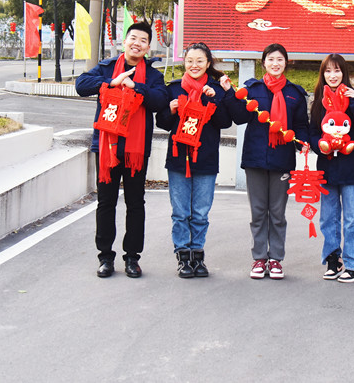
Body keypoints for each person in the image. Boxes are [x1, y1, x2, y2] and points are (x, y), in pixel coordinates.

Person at [75, 21, 169, 279]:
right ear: (124, 42)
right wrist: (112, 82)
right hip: (107, 146)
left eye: (143, 40)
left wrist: (135, 86)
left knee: (135, 202)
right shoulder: (106, 67)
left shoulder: (153, 76)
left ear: (148, 47)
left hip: (135, 149)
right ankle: (105, 257)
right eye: (133, 38)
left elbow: (159, 101)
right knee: (106, 202)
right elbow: (81, 85)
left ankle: (132, 258)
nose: (137, 43)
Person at [230, 43, 310, 280]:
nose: (275, 63)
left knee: (277, 213)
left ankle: (275, 259)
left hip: (282, 160)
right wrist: (233, 96)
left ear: (286, 63)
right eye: (271, 59)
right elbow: (238, 117)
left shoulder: (295, 93)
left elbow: (301, 126)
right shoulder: (252, 89)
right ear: (263, 62)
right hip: (255, 159)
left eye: (280, 59)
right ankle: (259, 258)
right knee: (257, 212)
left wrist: (303, 142)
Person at [155, 42, 235, 278]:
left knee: (200, 213)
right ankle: (183, 257)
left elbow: (225, 122)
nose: (194, 65)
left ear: (208, 63)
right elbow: (162, 122)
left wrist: (214, 100)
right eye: (190, 61)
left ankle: (197, 256)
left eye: (200, 61)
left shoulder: (215, 89)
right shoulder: (174, 89)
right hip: (179, 159)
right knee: (180, 212)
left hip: (206, 159)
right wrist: (170, 110)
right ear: (184, 63)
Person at [309, 54, 354, 283]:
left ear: (344, 73)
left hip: (353, 168)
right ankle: (333, 260)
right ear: (323, 75)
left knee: (351, 219)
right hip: (328, 167)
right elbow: (313, 132)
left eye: (337, 70)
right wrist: (320, 145)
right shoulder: (319, 101)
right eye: (328, 71)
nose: (332, 75)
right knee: (328, 218)